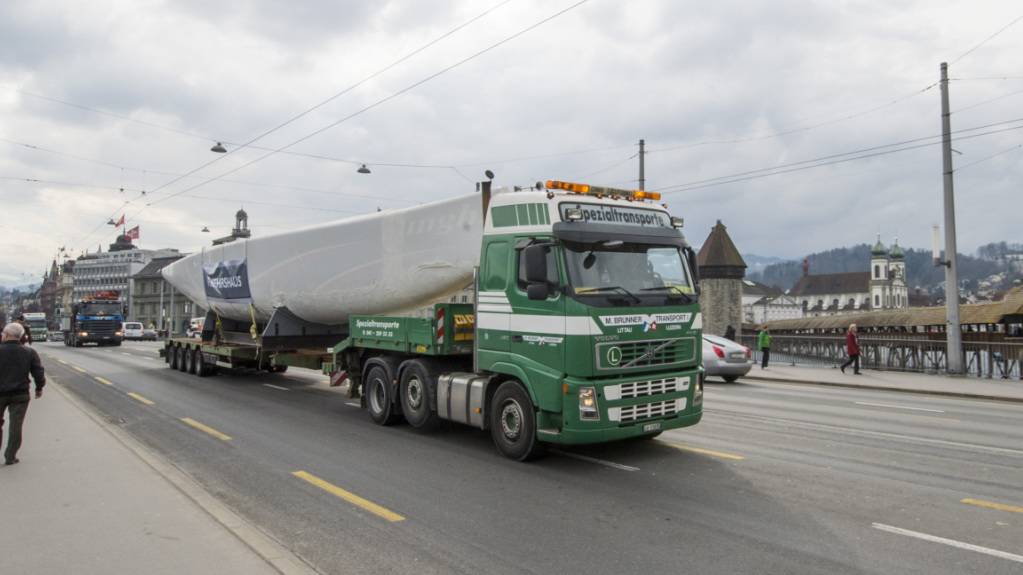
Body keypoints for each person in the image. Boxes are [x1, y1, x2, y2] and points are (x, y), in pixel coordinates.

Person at [0, 322, 46, 465]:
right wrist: (39, 388)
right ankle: (10, 456)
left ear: (6, 335)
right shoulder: (29, 352)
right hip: (20, 394)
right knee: (16, 426)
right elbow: (38, 372)